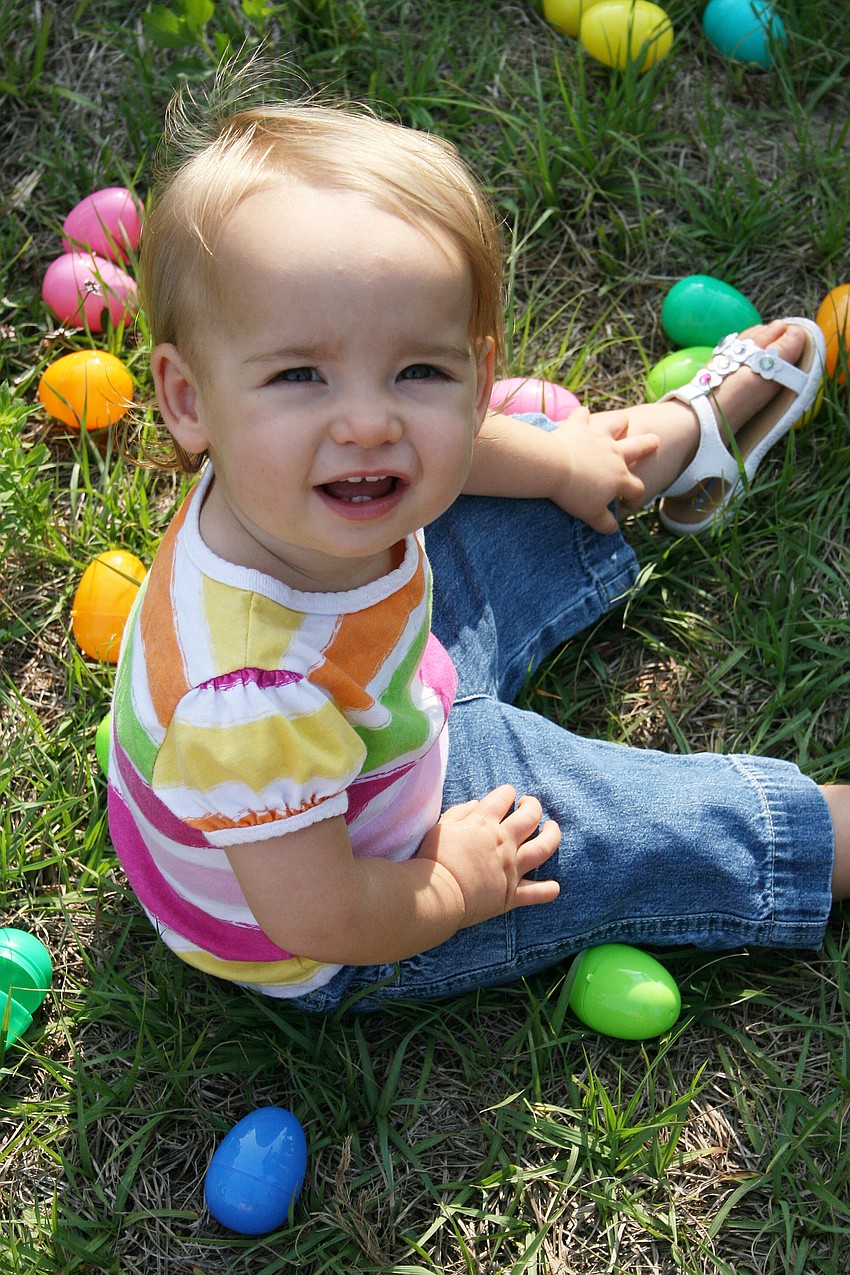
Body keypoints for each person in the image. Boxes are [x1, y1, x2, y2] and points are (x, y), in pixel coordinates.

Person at [108, 92, 850, 1013]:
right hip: (376, 881)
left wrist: (554, 464)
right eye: (301, 374)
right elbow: (322, 916)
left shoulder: (295, 487)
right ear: (190, 400)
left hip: (385, 689)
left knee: (514, 467)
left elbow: (453, 442)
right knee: (613, 822)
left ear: (477, 375)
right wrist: (457, 883)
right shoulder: (246, 702)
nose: (370, 422)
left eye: (420, 369)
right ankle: (820, 833)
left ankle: (645, 457)